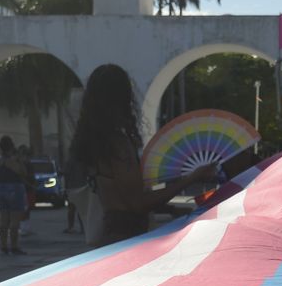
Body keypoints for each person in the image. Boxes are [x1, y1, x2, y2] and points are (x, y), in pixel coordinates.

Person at [69, 64, 215, 247]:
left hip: (110, 232)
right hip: (127, 236)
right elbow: (139, 203)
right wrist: (192, 177)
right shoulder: (118, 144)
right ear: (122, 98)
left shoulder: (95, 142)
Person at [0, 136, 29, 255]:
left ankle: (3, 246)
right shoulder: (11, 160)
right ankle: (14, 246)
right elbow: (22, 172)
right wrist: (19, 160)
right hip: (14, 188)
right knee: (14, 220)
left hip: (1, 188)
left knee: (4, 219)